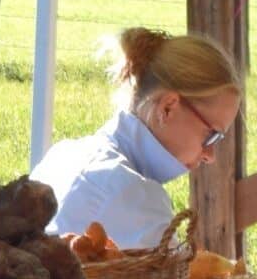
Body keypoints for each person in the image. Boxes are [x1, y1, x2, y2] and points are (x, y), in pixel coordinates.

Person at [31, 27, 244, 251]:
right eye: (211, 136)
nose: (210, 156)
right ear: (168, 108)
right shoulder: (132, 192)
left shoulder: (63, 153)